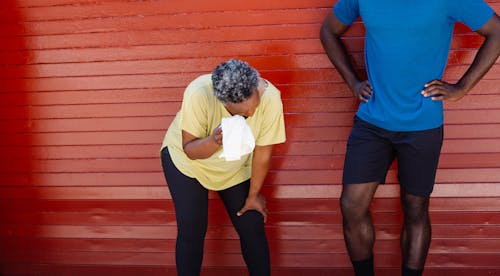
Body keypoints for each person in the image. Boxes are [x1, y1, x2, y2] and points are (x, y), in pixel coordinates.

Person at [320, 1, 499, 275]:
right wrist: (352, 82)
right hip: (372, 122)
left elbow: (497, 30)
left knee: (415, 208)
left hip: (422, 125)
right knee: (351, 205)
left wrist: (462, 88)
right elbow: (328, 31)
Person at [160, 59, 286, 276]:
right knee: (192, 230)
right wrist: (214, 140)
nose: (253, 114)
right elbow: (190, 149)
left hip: (234, 167)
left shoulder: (270, 97)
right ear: (224, 103)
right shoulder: (199, 93)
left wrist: (254, 195)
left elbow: (264, 151)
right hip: (189, 164)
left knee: (252, 224)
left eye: (254, 105)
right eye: (245, 114)